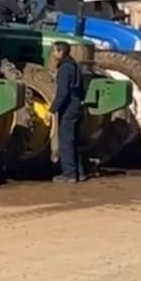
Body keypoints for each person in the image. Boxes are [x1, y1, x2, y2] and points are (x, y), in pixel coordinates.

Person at [48, 40, 86, 183]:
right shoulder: (74, 66)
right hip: (77, 105)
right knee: (74, 140)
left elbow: (63, 92)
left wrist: (52, 109)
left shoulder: (64, 69)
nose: (52, 54)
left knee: (66, 141)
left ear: (60, 52)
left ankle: (69, 174)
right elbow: (82, 88)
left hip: (68, 107)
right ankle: (79, 172)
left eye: (54, 51)